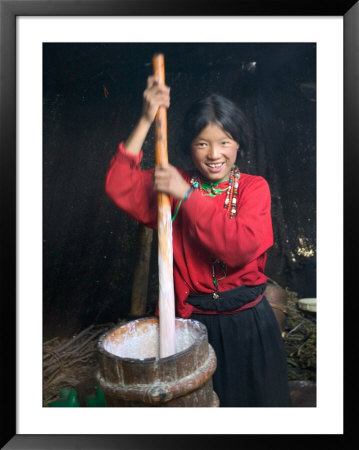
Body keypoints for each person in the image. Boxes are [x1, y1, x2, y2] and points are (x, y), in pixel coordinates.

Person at [105, 75, 292, 407]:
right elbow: (119, 184)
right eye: (202, 143)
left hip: (249, 327)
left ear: (239, 145)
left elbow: (238, 249)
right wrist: (148, 117)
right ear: (189, 147)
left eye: (225, 142)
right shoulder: (173, 184)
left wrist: (188, 196)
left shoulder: (253, 188)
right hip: (193, 328)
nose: (214, 154)